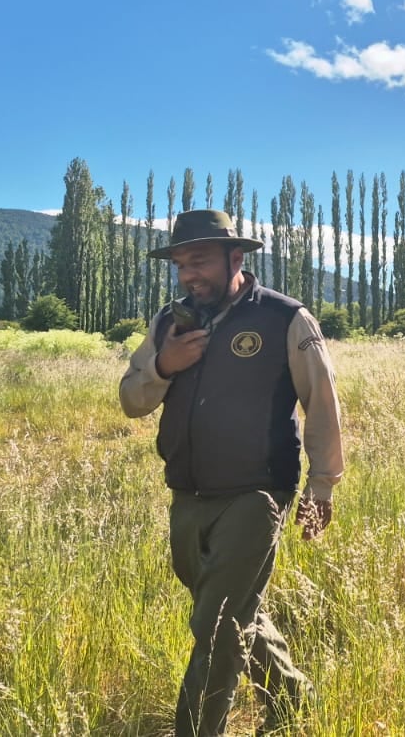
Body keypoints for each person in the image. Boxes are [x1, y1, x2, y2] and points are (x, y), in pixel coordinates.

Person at [119, 209, 344, 737]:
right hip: (188, 494)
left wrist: (322, 485)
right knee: (229, 609)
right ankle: (292, 694)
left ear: (235, 258)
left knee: (217, 628)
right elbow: (131, 399)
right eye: (180, 264)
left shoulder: (284, 318)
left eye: (199, 261)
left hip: (257, 491)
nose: (188, 275)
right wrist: (163, 366)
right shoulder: (170, 323)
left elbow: (323, 401)